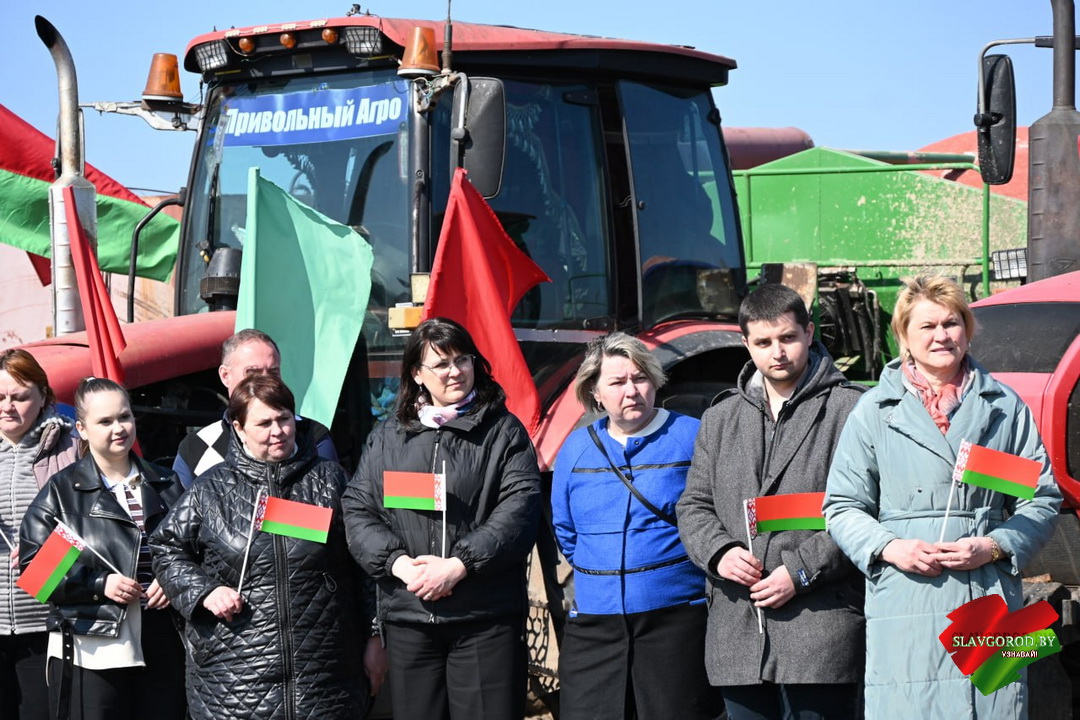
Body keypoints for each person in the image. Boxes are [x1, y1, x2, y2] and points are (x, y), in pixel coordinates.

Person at [823, 275, 1061, 718]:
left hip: (989, 590)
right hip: (906, 594)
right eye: (927, 326)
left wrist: (994, 545)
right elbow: (842, 505)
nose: (941, 336)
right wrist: (890, 547)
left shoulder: (1005, 406)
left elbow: (1041, 498)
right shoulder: (873, 411)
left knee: (999, 705)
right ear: (904, 338)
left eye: (951, 323)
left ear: (967, 330)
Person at [677, 283, 866, 719]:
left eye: (787, 338)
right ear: (746, 344)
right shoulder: (720, 417)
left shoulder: (851, 410)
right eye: (763, 342)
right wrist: (720, 552)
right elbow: (693, 504)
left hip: (821, 621)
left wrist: (799, 571)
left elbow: (862, 510)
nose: (777, 352)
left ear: (809, 333)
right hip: (737, 626)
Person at [343, 317, 541, 720]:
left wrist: (458, 565)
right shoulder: (387, 436)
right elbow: (358, 509)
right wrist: (398, 564)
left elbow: (519, 509)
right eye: (441, 364)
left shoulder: (503, 432)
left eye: (462, 360)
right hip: (410, 617)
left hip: (483, 618)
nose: (455, 371)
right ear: (416, 374)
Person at [151, 373, 380, 719]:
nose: (278, 431)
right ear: (239, 429)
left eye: (284, 419)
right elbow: (166, 549)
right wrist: (204, 591)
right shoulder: (210, 490)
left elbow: (365, 563)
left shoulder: (331, 480)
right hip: (233, 682)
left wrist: (376, 637)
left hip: (325, 679)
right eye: (264, 423)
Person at [551, 332, 720, 719]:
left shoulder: (691, 436)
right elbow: (567, 531)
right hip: (595, 626)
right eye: (617, 382)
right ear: (595, 392)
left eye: (640, 378)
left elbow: (713, 516)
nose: (631, 390)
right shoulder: (575, 448)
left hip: (675, 622)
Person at [19, 377, 185, 720]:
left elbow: (197, 552)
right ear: (81, 429)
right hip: (92, 648)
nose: (119, 428)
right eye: (105, 421)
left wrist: (174, 579)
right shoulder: (61, 493)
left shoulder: (167, 483)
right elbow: (37, 572)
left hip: (164, 641)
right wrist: (99, 584)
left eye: (124, 417)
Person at [0, 350, 80, 720]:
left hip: (45, 621)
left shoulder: (71, 447)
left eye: (19, 397)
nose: (8, 407)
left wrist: (47, 555)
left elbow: (94, 525)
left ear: (44, 396)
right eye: (0, 397)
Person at [172, 328, 337, 487]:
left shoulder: (312, 436)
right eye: (252, 373)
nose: (265, 382)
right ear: (225, 375)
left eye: (273, 372)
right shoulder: (195, 448)